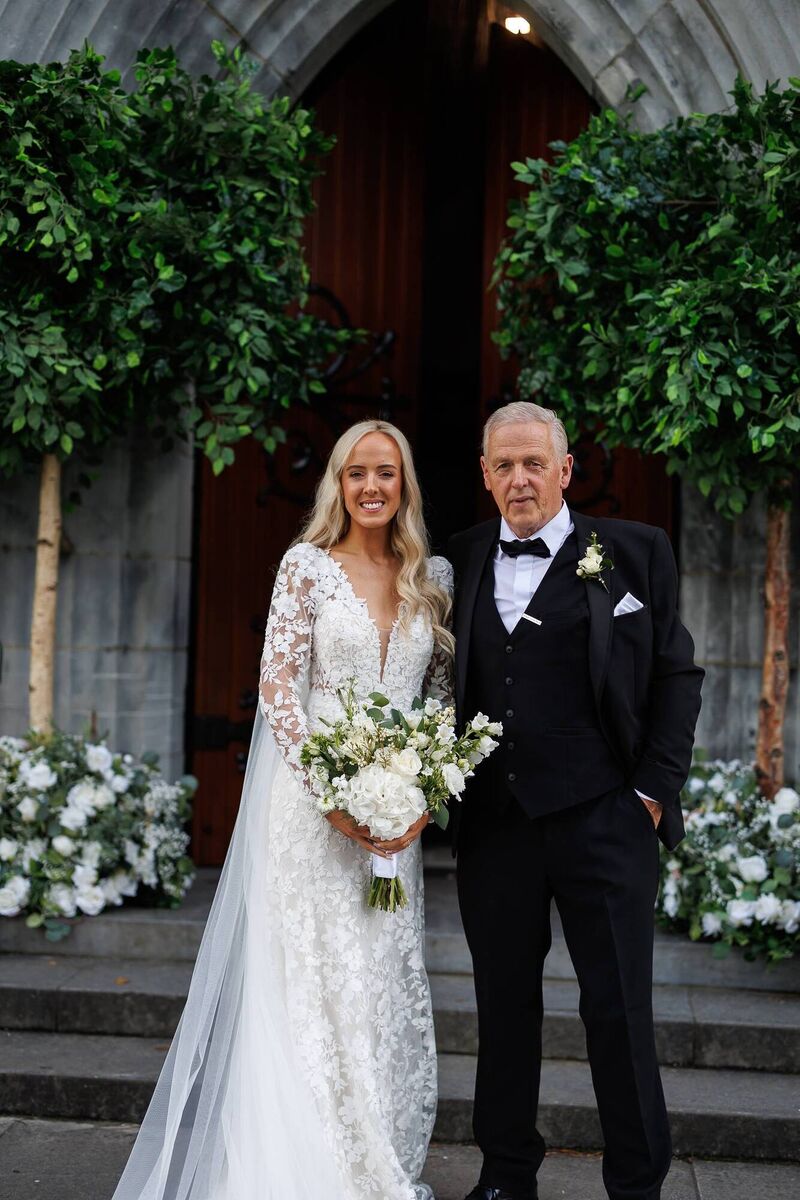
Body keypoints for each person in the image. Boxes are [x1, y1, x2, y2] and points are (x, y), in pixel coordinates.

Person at [111, 419, 454, 1200]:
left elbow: (437, 703)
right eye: (356, 472)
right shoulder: (306, 568)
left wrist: (419, 804)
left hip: (392, 824)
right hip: (310, 814)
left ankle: (370, 1156)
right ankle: (305, 1168)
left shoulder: (431, 576)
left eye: (386, 473)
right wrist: (335, 802)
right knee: (308, 982)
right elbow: (281, 696)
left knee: (371, 983)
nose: (371, 486)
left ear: (405, 485)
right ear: (337, 483)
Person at [448, 401, 703, 1200]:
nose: (519, 479)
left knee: (619, 1012)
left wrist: (651, 796)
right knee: (504, 1010)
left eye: (534, 463)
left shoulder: (634, 552)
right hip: (497, 826)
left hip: (607, 818)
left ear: (565, 469)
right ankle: (505, 1176)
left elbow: (676, 676)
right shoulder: (455, 560)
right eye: (503, 466)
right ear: (484, 476)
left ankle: (636, 1185)